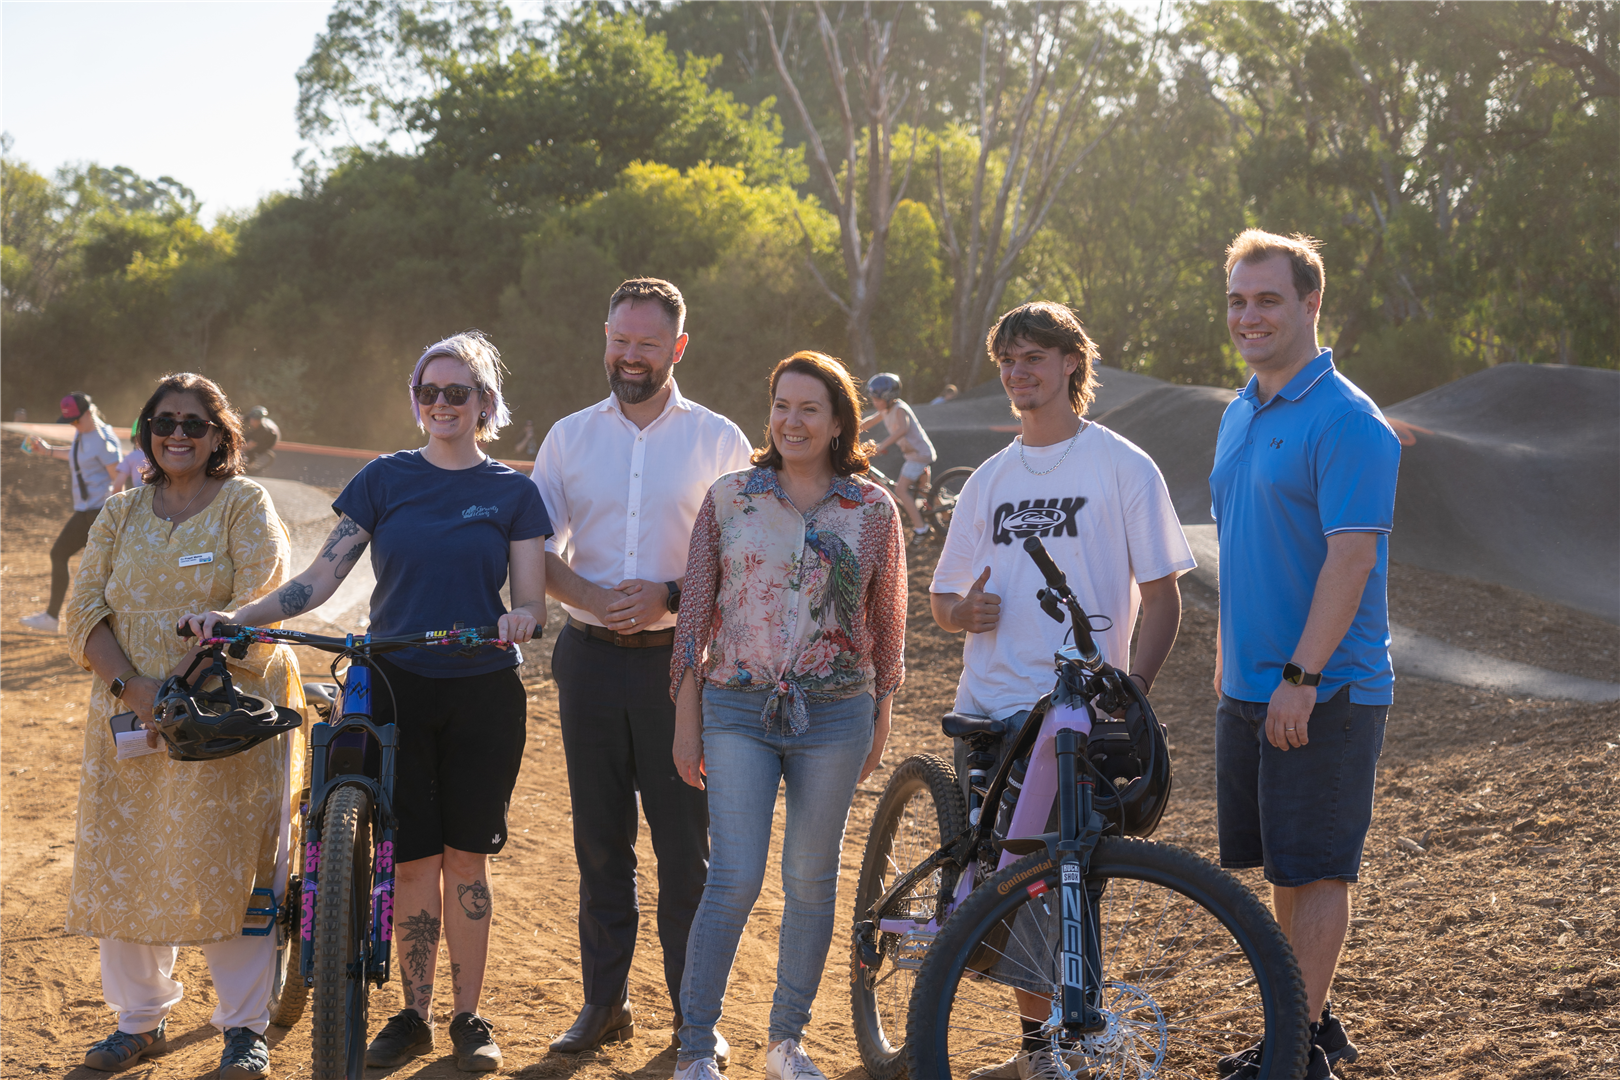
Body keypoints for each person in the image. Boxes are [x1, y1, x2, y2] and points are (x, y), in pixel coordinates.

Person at [184, 332, 550, 1072]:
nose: (441, 404)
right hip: (393, 683)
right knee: (411, 861)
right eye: (428, 391)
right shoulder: (384, 480)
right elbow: (318, 580)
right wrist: (239, 618)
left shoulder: (515, 492)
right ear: (416, 401)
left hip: (483, 688)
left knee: (466, 860)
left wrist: (520, 618)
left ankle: (469, 1018)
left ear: (485, 402)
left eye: (457, 392)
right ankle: (415, 1016)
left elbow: (533, 600)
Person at [929, 302, 1194, 1080]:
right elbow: (943, 597)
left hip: (1077, 714)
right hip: (988, 707)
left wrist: (1132, 691)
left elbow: (1164, 596)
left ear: (1072, 362)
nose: (1018, 373)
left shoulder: (1123, 465)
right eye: (1007, 360)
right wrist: (962, 612)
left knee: (1059, 880)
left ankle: (1053, 1054)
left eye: (1034, 357)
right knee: (1007, 885)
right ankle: (1040, 1053)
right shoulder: (988, 479)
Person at [669, 351, 906, 1080]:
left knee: (810, 878)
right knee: (734, 876)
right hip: (735, 706)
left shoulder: (874, 511)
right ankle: (695, 1046)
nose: (791, 421)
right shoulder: (730, 498)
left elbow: (887, 621)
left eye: (809, 408)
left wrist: (883, 713)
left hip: (837, 715)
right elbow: (694, 614)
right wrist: (685, 717)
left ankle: (785, 1043)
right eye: (781, 405)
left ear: (839, 423)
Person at [63, 373, 307, 1080]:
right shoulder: (119, 513)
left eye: (194, 424)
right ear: (146, 432)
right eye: (164, 422)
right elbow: (83, 610)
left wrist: (182, 684)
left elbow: (263, 600)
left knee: (230, 863)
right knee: (131, 858)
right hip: (130, 715)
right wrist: (135, 688)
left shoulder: (244, 504)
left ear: (218, 435)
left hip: (224, 719)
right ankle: (138, 1019)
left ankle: (244, 1027)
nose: (177, 434)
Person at [532, 277, 754, 1057]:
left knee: (686, 854)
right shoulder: (568, 438)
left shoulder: (720, 441)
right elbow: (533, 550)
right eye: (619, 340)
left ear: (678, 348)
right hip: (587, 662)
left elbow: (743, 557)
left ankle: (697, 1020)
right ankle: (605, 1004)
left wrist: (668, 596)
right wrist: (591, 595)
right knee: (600, 844)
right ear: (606, 338)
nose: (630, 356)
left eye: (647, 344)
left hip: (681, 673)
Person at [1210, 231, 1400, 1080]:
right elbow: (1241, 544)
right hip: (1250, 684)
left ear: (1311, 303)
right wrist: (1231, 666)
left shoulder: (1348, 420)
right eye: (1237, 301)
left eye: (1268, 300)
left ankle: (1295, 1052)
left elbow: (1351, 560)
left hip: (1326, 687)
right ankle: (1299, 1027)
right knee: (1285, 867)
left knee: (1319, 872)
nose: (1248, 316)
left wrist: (1301, 675)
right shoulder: (1238, 411)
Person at [19, 391, 124, 634]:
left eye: (75, 420)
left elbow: (118, 478)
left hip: (99, 513)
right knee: (62, 555)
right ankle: (52, 618)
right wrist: (47, 450)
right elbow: (78, 455)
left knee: (102, 569)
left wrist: (116, 517)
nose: (73, 424)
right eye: (70, 421)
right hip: (85, 511)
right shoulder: (83, 433)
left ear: (88, 413)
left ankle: (111, 623)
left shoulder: (102, 439)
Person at [860, 372, 936, 541]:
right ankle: (945, 517)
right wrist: (853, 429)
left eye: (876, 399)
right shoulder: (886, 410)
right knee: (925, 490)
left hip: (918, 455)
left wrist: (882, 445)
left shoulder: (899, 409)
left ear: (888, 397)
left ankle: (921, 529)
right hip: (914, 455)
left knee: (901, 490)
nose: (874, 402)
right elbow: (870, 421)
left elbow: (902, 429)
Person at [241, 407, 279, 474]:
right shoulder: (250, 417)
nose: (252, 421)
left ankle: (250, 465)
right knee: (244, 437)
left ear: (260, 420)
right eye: (251, 419)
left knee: (252, 451)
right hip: (263, 432)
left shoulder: (262, 432)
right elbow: (241, 418)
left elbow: (248, 446)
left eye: (255, 420)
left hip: (269, 441)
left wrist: (240, 450)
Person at [112, 423, 148, 493]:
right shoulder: (161, 455)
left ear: (135, 440)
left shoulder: (131, 457)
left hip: (141, 497)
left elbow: (117, 487)